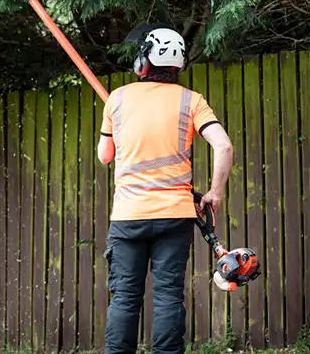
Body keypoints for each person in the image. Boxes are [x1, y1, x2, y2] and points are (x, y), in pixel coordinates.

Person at [97, 24, 234, 354]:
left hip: (129, 218)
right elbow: (224, 147)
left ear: (143, 63)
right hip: (175, 217)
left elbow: (104, 157)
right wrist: (215, 193)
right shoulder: (191, 101)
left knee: (126, 297)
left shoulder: (117, 99)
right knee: (169, 295)